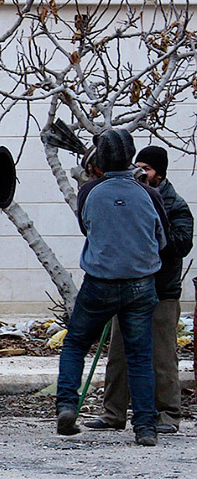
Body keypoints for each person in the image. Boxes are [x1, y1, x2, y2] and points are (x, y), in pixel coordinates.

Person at [56, 129, 166, 446]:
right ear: (131, 156)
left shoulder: (89, 192)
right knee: (140, 356)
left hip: (99, 282)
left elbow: (86, 228)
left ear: (100, 160)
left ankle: (66, 405)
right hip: (141, 284)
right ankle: (145, 427)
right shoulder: (149, 195)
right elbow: (161, 240)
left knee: (76, 343)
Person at [85, 145, 193, 435]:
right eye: (139, 166)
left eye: (147, 168)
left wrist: (154, 226)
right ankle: (113, 413)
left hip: (161, 292)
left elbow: (181, 244)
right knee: (119, 355)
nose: (141, 172)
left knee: (161, 356)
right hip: (129, 288)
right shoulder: (134, 197)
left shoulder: (174, 204)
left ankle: (167, 415)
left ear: (160, 172)